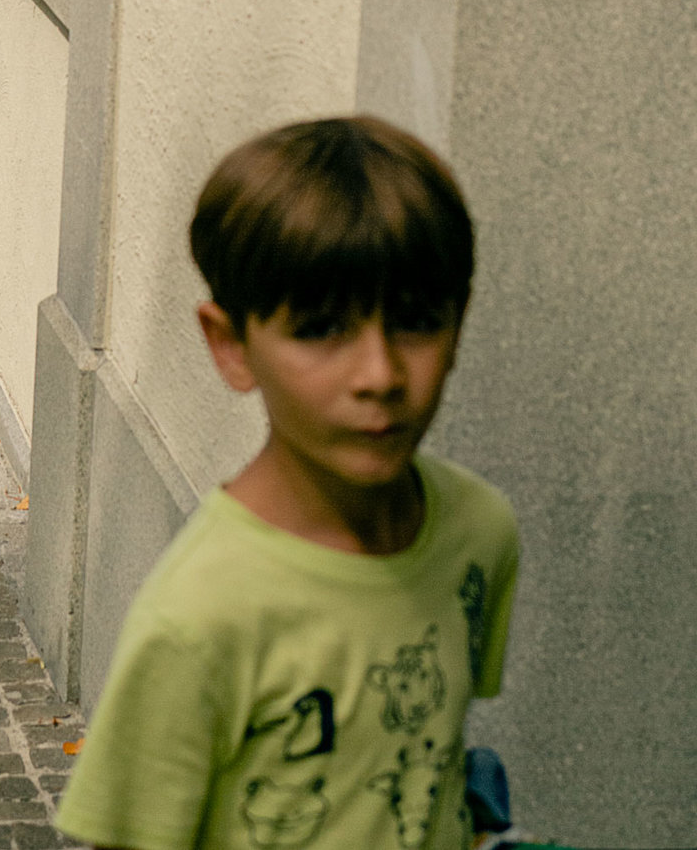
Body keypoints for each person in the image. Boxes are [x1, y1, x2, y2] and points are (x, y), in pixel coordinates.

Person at [57, 116, 519, 850]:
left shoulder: (479, 533)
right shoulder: (198, 617)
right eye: (321, 328)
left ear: (457, 327)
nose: (380, 375)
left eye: (415, 322)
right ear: (232, 346)